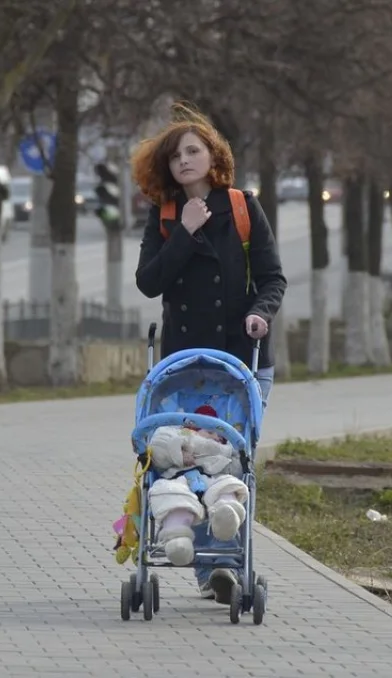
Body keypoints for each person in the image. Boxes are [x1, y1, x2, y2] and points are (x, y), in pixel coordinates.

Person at [131, 103, 287, 605]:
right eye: (175, 156)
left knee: (231, 460)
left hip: (243, 360)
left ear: (213, 156)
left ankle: (223, 559)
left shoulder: (242, 208)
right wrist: (184, 232)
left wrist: (261, 313)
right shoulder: (165, 215)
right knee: (185, 459)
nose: (184, 161)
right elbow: (149, 281)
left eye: (192, 151)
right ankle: (212, 570)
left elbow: (272, 278)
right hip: (185, 365)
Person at [146, 405, 249, 567]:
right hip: (179, 481)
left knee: (227, 484)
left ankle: (226, 515)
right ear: (192, 430)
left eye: (220, 436)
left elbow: (236, 470)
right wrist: (179, 452)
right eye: (210, 432)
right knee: (171, 494)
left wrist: (233, 455)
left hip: (211, 482)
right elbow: (159, 447)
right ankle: (178, 541)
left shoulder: (223, 451)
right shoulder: (179, 435)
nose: (216, 438)